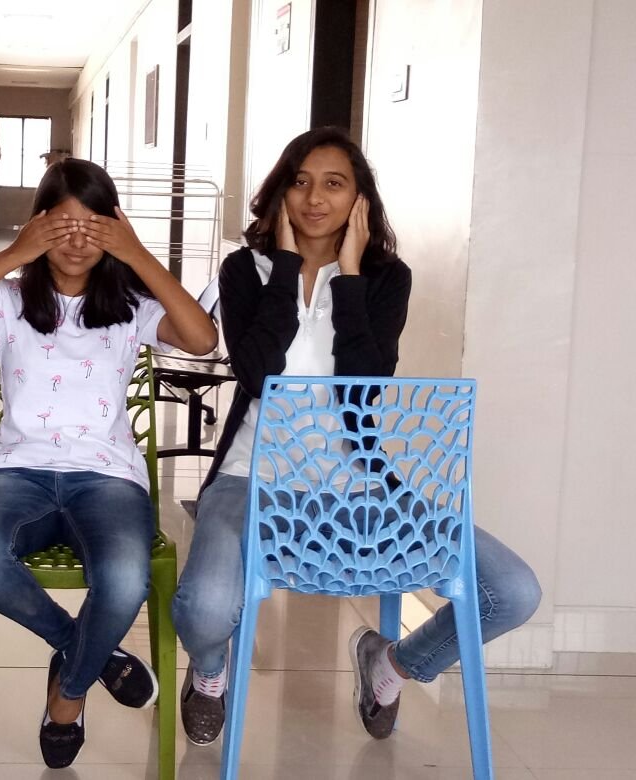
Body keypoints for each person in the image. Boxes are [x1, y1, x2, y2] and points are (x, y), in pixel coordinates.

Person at [170, 126, 542, 745]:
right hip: (249, 479)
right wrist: (287, 268)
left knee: (512, 590)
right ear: (281, 192)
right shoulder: (246, 270)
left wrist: (347, 278)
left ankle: (391, 664)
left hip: (357, 487)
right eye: (300, 181)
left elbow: (363, 387)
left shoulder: (386, 278)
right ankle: (210, 670)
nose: (315, 198)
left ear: (359, 199)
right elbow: (257, 373)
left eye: (334, 184)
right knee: (206, 608)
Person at [0, 158, 217, 768]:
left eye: (92, 226)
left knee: (125, 578)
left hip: (107, 479)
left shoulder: (132, 306)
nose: (76, 240)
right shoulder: (6, 302)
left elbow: (203, 339)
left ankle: (68, 694)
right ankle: (88, 652)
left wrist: (137, 255)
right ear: (38, 226)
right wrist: (15, 253)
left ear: (114, 229)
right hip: (18, 474)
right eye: (60, 226)